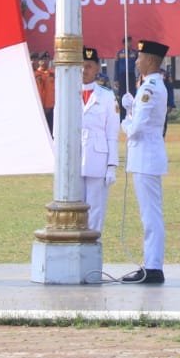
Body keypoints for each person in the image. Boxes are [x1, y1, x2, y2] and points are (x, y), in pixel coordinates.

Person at [120, 39, 170, 284]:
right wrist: (132, 109)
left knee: (150, 216)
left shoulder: (150, 87)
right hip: (146, 156)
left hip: (146, 157)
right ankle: (151, 264)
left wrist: (125, 121)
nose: (137, 62)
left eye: (140, 58)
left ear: (150, 60)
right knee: (148, 214)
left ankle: (153, 267)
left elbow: (136, 128)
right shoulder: (151, 85)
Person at [79, 46, 119, 232]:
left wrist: (112, 166)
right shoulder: (67, 92)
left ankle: (94, 244)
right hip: (74, 158)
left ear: (97, 68)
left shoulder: (107, 96)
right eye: (81, 66)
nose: (84, 70)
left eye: (88, 66)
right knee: (75, 208)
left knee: (95, 209)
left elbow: (112, 133)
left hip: (98, 158)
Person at [33, 52, 56, 135]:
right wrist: (44, 106)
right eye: (44, 59)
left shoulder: (52, 73)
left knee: (50, 130)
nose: (46, 61)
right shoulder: (36, 74)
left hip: (52, 107)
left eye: (47, 59)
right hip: (41, 107)